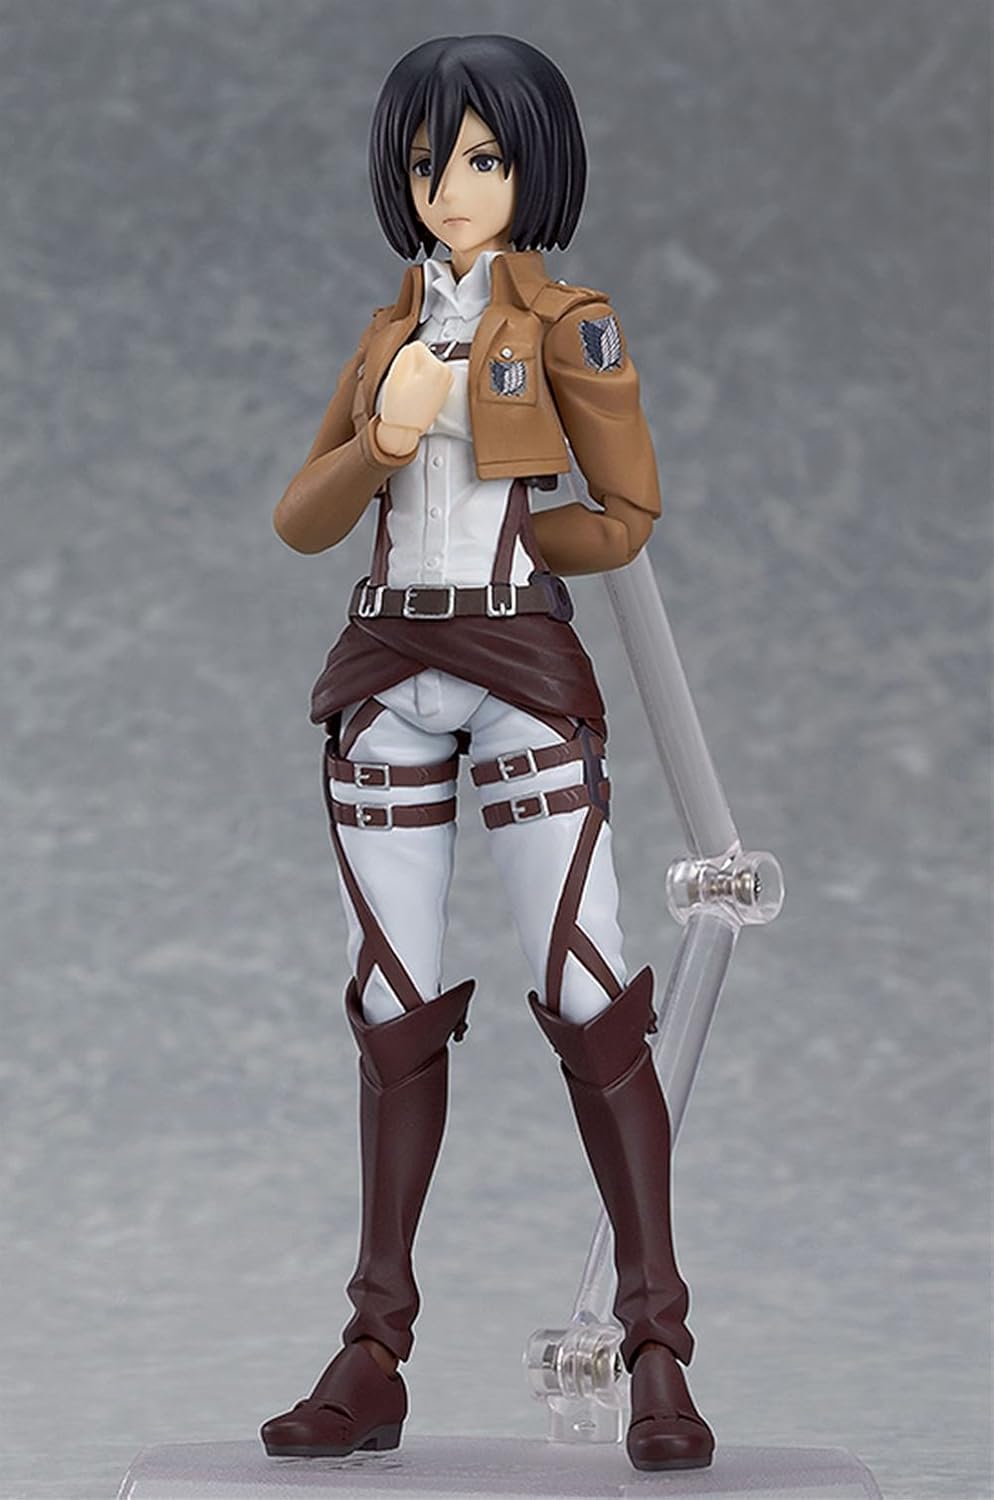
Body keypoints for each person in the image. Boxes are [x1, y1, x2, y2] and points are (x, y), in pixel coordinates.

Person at [260, 34, 714, 1473]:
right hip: (386, 667)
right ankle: (372, 1352)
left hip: (513, 663)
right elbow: (303, 518)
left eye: (481, 156)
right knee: (389, 1006)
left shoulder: (570, 324)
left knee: (590, 989)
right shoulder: (383, 337)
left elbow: (626, 514)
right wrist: (384, 442)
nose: (449, 186)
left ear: (531, 166)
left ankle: (656, 1347)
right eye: (425, 160)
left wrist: (513, 567)